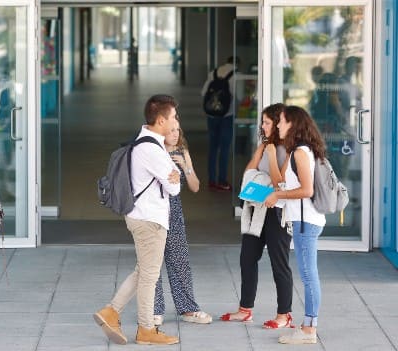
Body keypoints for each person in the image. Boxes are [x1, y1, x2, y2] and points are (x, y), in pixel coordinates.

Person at [93, 94, 181, 345]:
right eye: (173, 117)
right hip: (150, 220)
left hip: (142, 217)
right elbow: (174, 189)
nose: (176, 122)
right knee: (150, 276)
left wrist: (173, 175)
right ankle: (146, 329)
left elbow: (172, 180)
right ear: (161, 120)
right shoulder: (152, 149)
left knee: (143, 271)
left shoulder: (144, 142)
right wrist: (173, 175)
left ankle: (111, 311)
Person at [220, 103, 293, 329]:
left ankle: (284, 314)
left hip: (278, 210)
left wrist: (271, 156)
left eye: (267, 122)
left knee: (279, 263)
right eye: (263, 122)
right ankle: (245, 309)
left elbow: (280, 181)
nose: (263, 126)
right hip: (257, 208)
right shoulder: (265, 145)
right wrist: (261, 151)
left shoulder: (289, 149)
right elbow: (248, 174)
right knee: (247, 258)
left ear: (279, 123)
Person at [264, 105, 327, 345]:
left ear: (293, 124)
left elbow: (306, 190)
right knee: (308, 273)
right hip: (301, 221)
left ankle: (309, 328)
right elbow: (282, 183)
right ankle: (308, 325)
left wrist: (278, 197)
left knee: (309, 275)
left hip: (306, 222)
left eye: (281, 121)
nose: (278, 125)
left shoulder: (301, 152)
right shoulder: (295, 151)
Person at [153, 119, 212, 326]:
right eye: (171, 130)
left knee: (179, 261)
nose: (175, 133)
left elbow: (195, 186)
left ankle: (187, 308)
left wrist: (186, 167)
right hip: (153, 212)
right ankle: (155, 310)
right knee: (153, 263)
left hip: (174, 212)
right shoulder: (153, 150)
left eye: (178, 129)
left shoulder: (181, 152)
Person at [201, 56, 239, 191]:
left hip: (211, 115)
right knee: (224, 148)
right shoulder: (236, 75)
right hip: (227, 116)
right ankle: (222, 180)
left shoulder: (214, 72)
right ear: (238, 64)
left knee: (213, 147)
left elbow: (204, 93)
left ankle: (211, 179)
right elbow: (238, 96)